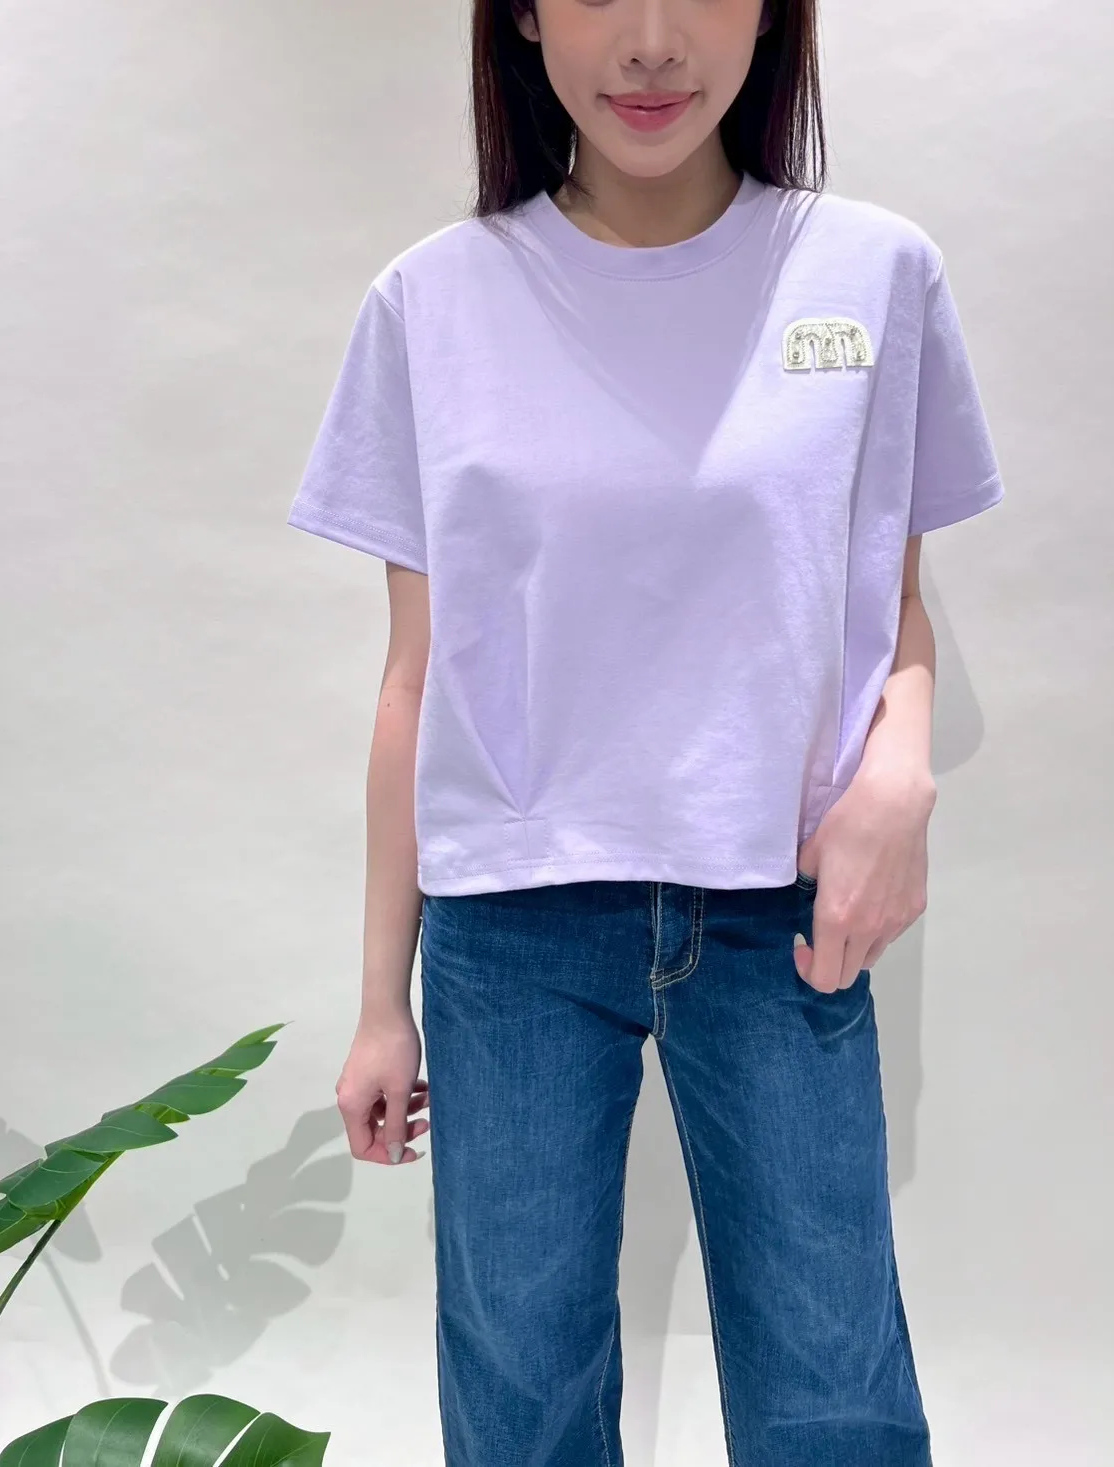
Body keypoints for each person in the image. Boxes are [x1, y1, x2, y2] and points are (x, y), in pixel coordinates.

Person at [286, 2, 1004, 1462]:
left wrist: (900, 771)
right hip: (512, 929)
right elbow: (413, 677)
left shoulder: (872, 273)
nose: (654, 43)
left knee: (831, 1377)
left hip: (780, 914)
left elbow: (892, 605)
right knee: (521, 1391)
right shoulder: (432, 303)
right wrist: (379, 999)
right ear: (526, 12)